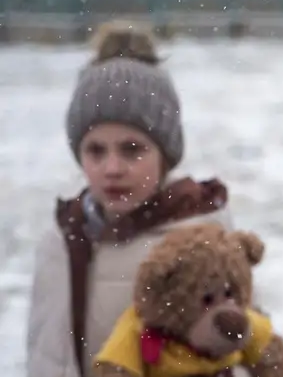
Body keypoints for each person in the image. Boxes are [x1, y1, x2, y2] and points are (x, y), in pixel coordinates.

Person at [25, 22, 241, 377]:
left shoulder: (204, 237)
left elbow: (246, 351)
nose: (112, 168)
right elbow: (48, 362)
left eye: (132, 150)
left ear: (165, 155)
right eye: (96, 151)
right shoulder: (63, 244)